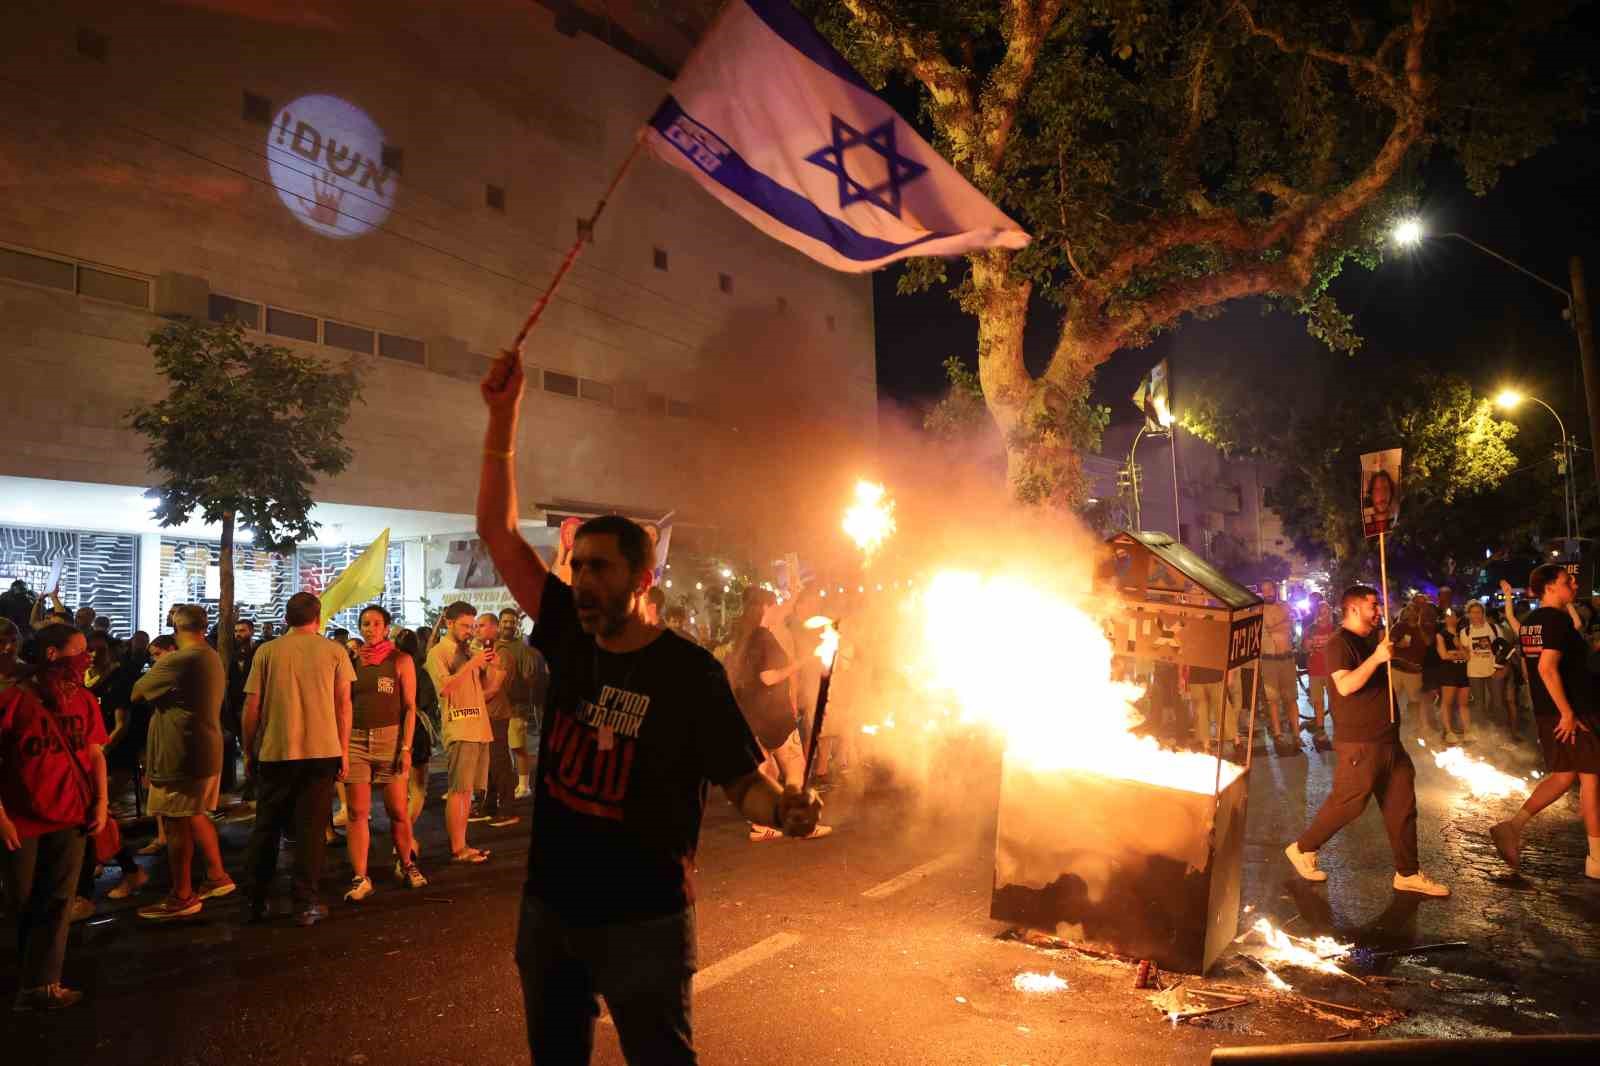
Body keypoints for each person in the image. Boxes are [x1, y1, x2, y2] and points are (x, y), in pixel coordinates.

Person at [476, 346, 821, 1065]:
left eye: (599, 567)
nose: (582, 581)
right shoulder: (569, 630)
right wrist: (503, 419)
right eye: (576, 566)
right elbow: (499, 536)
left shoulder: (688, 674)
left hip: (646, 922)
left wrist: (781, 808)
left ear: (640, 577)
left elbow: (741, 781)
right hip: (551, 912)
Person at [1285, 585, 1449, 897]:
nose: (1378, 610)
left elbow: (1408, 656)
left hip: (1388, 738)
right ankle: (1303, 848)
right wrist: (1375, 659)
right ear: (1354, 608)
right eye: (1373, 605)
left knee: (1402, 805)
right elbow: (1345, 686)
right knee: (1350, 803)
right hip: (1360, 740)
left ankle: (1408, 873)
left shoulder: (1375, 639)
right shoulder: (1338, 643)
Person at [0, 623, 109, 1010]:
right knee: (23, 901)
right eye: (79, 651)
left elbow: (95, 752)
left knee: (59, 900)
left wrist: (100, 803)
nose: (87, 658)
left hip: (71, 815)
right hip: (22, 818)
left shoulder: (84, 699)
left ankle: (43, 984)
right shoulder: (14, 699)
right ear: (52, 654)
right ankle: (29, 980)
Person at [241, 591, 354, 927]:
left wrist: (248, 750)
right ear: (318, 618)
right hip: (321, 751)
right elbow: (343, 706)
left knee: (267, 827)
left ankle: (255, 900)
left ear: (286, 619)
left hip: (276, 751)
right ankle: (305, 902)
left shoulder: (268, 651)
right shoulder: (334, 651)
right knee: (310, 830)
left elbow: (252, 707)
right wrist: (344, 751)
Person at [1489, 564, 1600, 879]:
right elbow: (1546, 669)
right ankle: (1596, 859)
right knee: (1591, 779)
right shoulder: (1556, 620)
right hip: (1574, 713)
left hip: (1549, 711)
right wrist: (1567, 712)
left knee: (1564, 776)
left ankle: (1513, 827)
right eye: (1567, 581)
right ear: (1550, 588)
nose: (1574, 584)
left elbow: (1532, 668)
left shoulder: (1530, 624)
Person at [132, 604, 234, 919]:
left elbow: (137, 692)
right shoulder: (211, 655)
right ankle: (217, 876)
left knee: (176, 824)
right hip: (204, 747)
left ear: (175, 627)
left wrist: (158, 667)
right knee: (193, 814)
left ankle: (182, 895)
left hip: (179, 752)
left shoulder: (178, 660)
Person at [727, 587, 829, 842]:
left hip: (753, 715)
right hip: (773, 716)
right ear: (764, 608)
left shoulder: (747, 635)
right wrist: (802, 662)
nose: (779, 611)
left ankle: (761, 826)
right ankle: (802, 821)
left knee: (766, 771)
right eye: (774, 606)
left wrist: (793, 594)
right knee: (796, 768)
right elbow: (769, 677)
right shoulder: (764, 638)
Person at [343, 605, 426, 900]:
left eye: (377, 623)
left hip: (390, 742)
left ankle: (406, 864)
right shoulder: (352, 661)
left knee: (398, 810)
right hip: (355, 743)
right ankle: (360, 877)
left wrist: (405, 747)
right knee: (357, 812)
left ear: (386, 627)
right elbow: (344, 706)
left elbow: (409, 707)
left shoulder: (400, 660)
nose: (370, 628)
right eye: (365, 623)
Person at [426, 601, 498, 864]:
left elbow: (487, 688)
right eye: (466, 626)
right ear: (449, 623)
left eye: (473, 626)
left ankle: (463, 843)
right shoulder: (438, 653)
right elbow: (445, 689)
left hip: (479, 726)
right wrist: (472, 663)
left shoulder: (469, 652)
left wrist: (489, 665)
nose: (470, 631)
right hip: (460, 727)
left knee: (468, 792)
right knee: (459, 790)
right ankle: (458, 848)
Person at [473, 611, 521, 827]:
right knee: (487, 763)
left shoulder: (501, 655)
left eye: (482, 625)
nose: (476, 629)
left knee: (499, 762)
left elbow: (493, 688)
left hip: (496, 714)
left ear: (495, 628)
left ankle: (508, 808)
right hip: (484, 714)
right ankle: (489, 805)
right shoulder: (485, 651)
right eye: (476, 625)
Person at [496, 608, 548, 802]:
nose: (509, 625)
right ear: (499, 623)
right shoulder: (491, 645)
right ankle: (507, 783)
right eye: (505, 621)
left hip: (516, 707)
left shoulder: (523, 649)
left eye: (512, 621)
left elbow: (530, 679)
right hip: (495, 707)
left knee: (517, 746)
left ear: (517, 624)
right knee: (500, 748)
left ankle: (524, 786)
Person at [1258, 581, 1300, 756]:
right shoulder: (1259, 610)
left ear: (1275, 590)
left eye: (1270, 589)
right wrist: (1280, 624)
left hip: (1287, 658)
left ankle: (1297, 735)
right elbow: (1268, 628)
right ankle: (1278, 734)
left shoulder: (1285, 606)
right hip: (1268, 659)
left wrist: (1277, 626)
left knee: (1291, 698)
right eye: (1264, 590)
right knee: (1272, 699)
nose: (1267, 592)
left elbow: (1288, 625)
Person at [1460, 600, 1505, 741]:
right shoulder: (1465, 632)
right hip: (1474, 672)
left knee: (1498, 703)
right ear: (1468, 615)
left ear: (1483, 613)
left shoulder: (1493, 628)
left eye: (1479, 612)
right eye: (1473, 612)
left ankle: (1501, 734)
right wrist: (1460, 648)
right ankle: (1484, 734)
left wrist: (1499, 668)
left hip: (1493, 670)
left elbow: (1503, 649)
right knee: (1479, 704)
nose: (1476, 615)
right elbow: (1466, 655)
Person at [1435, 608, 1472, 744]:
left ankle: (1468, 732)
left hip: (1462, 672)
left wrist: (1458, 647)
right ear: (1444, 619)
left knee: (1464, 703)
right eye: (1447, 616)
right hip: (1449, 672)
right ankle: (1448, 731)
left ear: (1457, 619)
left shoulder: (1462, 634)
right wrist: (1456, 653)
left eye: (1453, 616)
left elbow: (1467, 657)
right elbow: (1443, 655)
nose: (1450, 619)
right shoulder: (1441, 635)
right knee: (1447, 703)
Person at [1304, 601, 1336, 750]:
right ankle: (1321, 730)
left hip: (1332, 671)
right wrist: (1310, 645)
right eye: (1321, 611)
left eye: (1326, 611)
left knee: (1335, 702)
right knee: (1318, 702)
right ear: (1317, 613)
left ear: (1330, 613)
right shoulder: (1311, 629)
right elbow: (1305, 647)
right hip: (1315, 670)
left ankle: (1339, 730)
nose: (1324, 614)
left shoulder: (1336, 628)